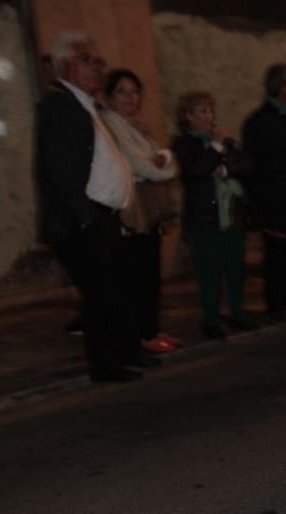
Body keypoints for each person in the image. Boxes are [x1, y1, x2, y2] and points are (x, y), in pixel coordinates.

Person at [35, 32, 147, 382]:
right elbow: (60, 169)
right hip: (83, 220)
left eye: (100, 62)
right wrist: (84, 217)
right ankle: (106, 365)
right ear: (68, 64)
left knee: (117, 289)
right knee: (99, 295)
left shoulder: (87, 105)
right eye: (90, 61)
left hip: (102, 216)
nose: (99, 68)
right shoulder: (59, 106)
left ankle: (127, 352)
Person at [101, 69, 181, 354]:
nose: (130, 98)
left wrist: (163, 160)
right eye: (122, 91)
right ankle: (143, 333)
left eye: (134, 92)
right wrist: (162, 162)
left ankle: (150, 328)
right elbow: (147, 166)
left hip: (149, 208)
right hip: (135, 210)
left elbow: (166, 161)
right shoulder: (112, 124)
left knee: (149, 273)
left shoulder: (133, 125)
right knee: (139, 275)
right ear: (109, 96)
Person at [171, 92, 254, 340]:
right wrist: (216, 150)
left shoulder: (222, 141)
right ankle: (210, 318)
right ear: (188, 116)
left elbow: (246, 164)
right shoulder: (184, 144)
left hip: (230, 216)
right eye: (203, 111)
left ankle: (238, 313)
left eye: (210, 110)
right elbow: (197, 170)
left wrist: (225, 166)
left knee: (234, 268)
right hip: (205, 218)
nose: (210, 116)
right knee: (210, 272)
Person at [241, 64, 286, 322]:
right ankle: (278, 302)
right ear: (281, 87)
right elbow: (255, 167)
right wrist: (261, 201)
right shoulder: (260, 123)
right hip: (274, 199)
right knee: (277, 251)